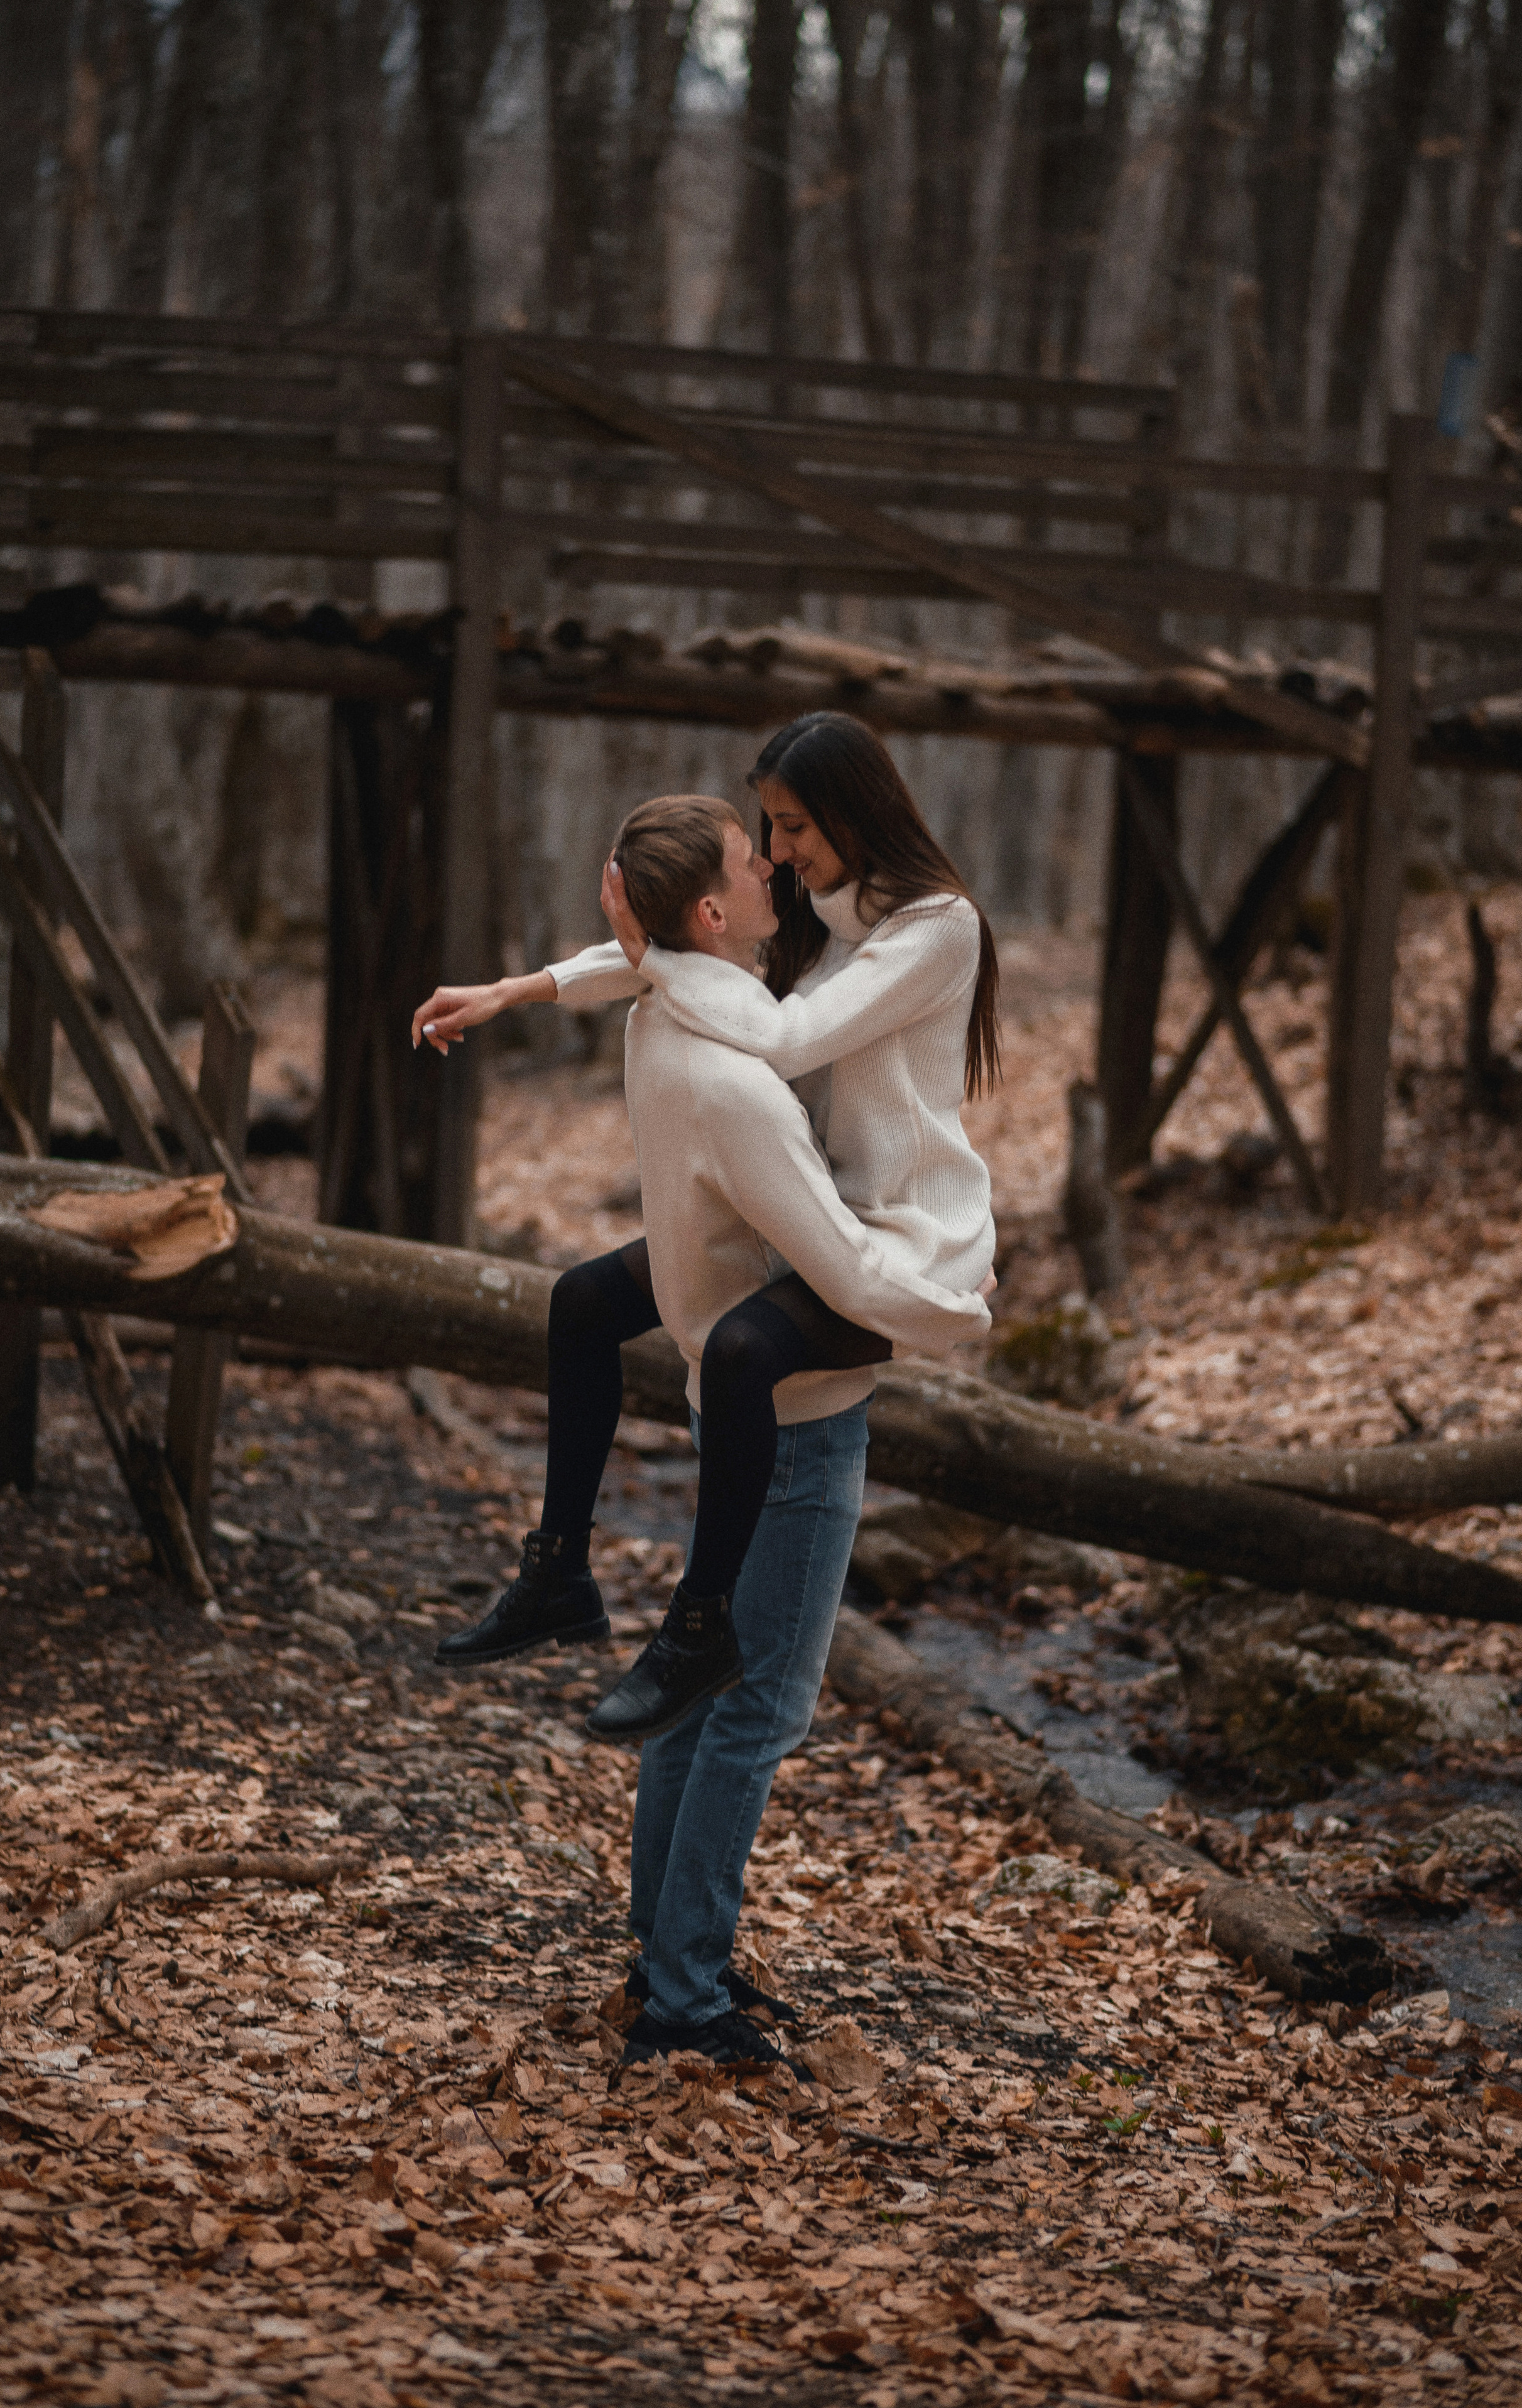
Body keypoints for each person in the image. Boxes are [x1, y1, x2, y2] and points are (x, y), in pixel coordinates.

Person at [476, 793, 988, 2066]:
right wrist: (951, 1305)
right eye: (752, 857)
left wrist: (538, 982)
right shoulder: (742, 1085)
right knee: (751, 1711)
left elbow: (661, 972)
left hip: (727, 1408)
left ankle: (666, 1959)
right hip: (799, 1429)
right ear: (711, 911)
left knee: (699, 1699)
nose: (774, 868)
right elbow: (837, 1273)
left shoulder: (663, 1015)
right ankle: (684, 1999)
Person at [413, 713, 999, 1705]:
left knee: (738, 1353)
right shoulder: (820, 908)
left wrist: (654, 953)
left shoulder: (936, 928)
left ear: (855, 814)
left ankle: (699, 1623)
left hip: (898, 1230)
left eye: (795, 828)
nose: (777, 855)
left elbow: (786, 1033)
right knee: (584, 1303)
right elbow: (693, 953)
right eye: (766, 831)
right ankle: (559, 1569)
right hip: (803, 1211)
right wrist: (522, 989)